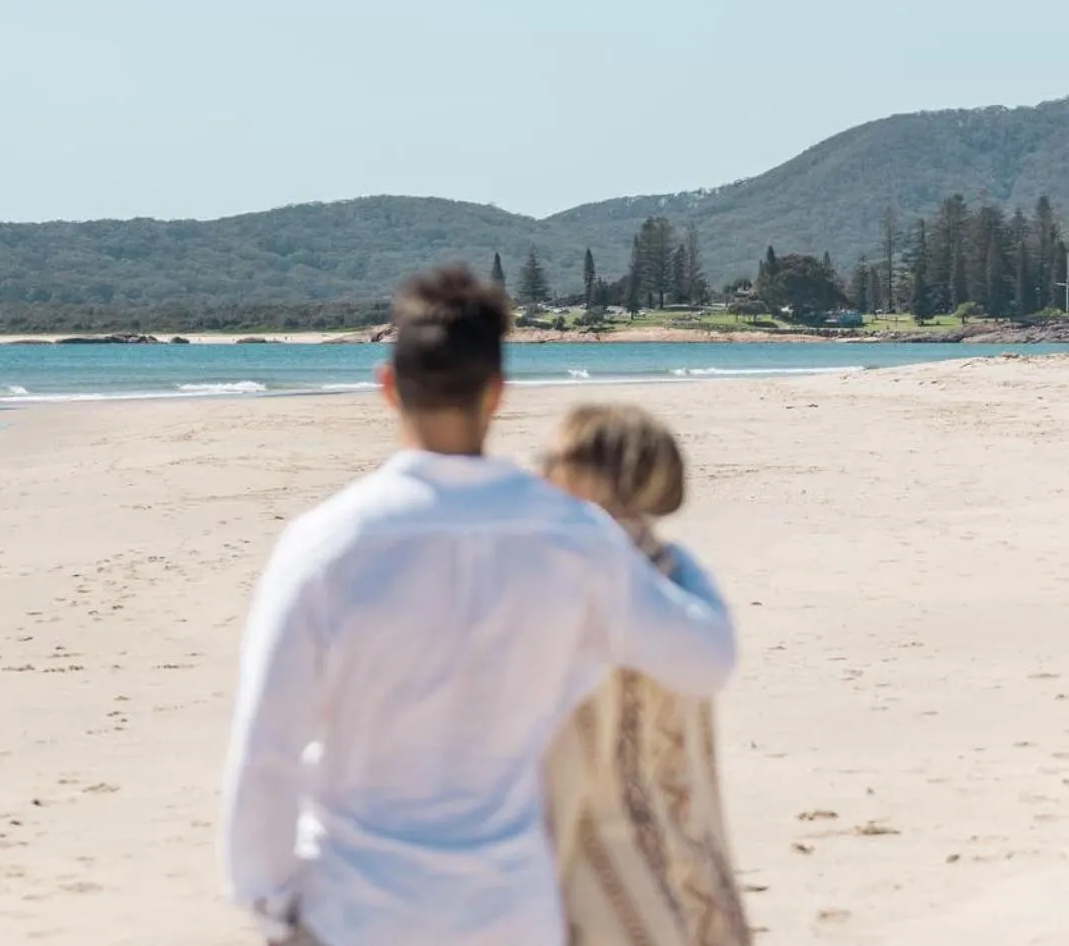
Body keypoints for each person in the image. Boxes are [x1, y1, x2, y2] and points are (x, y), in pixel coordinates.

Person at [220, 266, 737, 946]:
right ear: (496, 394)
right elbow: (705, 659)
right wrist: (666, 551)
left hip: (355, 906)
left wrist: (271, 902)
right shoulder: (576, 537)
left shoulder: (326, 544)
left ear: (387, 386)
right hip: (509, 907)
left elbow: (268, 749)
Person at [540, 405, 751, 946]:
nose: (541, 472)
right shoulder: (678, 569)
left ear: (591, 474)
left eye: (554, 459)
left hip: (590, 861)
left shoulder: (567, 580)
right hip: (687, 833)